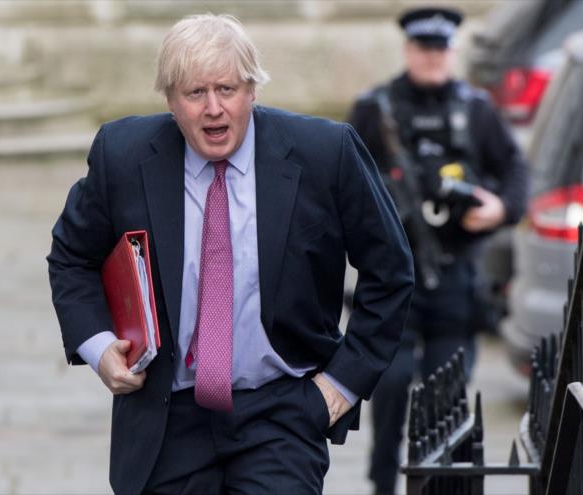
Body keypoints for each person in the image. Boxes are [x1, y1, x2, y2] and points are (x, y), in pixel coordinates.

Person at [47, 13, 414, 495]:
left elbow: (391, 270)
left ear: (253, 90)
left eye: (228, 89)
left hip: (281, 413)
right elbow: (72, 256)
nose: (213, 108)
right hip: (166, 417)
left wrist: (339, 388)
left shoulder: (326, 152)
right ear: (170, 101)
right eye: (195, 93)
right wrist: (99, 349)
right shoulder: (124, 154)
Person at [347, 6, 528, 494]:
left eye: (441, 48)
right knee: (389, 387)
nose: (432, 57)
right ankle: (384, 481)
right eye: (423, 48)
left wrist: (498, 208)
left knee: (446, 396)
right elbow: (342, 184)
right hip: (393, 280)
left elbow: (516, 172)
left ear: (452, 51)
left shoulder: (475, 109)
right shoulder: (375, 109)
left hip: (455, 278)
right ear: (408, 50)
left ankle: (437, 485)